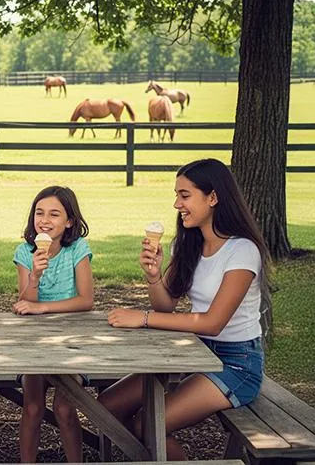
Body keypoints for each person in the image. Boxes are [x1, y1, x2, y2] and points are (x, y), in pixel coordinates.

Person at [99, 158, 270, 460]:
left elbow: (212, 323)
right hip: (195, 351)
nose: (177, 203)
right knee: (108, 405)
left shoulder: (242, 251)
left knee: (146, 426)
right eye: (176, 195)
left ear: (213, 197)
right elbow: (166, 303)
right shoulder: (188, 243)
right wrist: (153, 275)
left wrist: (144, 319)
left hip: (237, 363)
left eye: (185, 195)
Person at [12, 185, 94, 463]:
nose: (44, 220)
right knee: (33, 406)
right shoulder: (25, 252)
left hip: (72, 341)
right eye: (39, 213)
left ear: (69, 221)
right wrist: (34, 275)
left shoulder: (77, 249)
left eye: (54, 214)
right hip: (35, 342)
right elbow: (25, 300)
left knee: (63, 407)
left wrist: (42, 308)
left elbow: (86, 300)